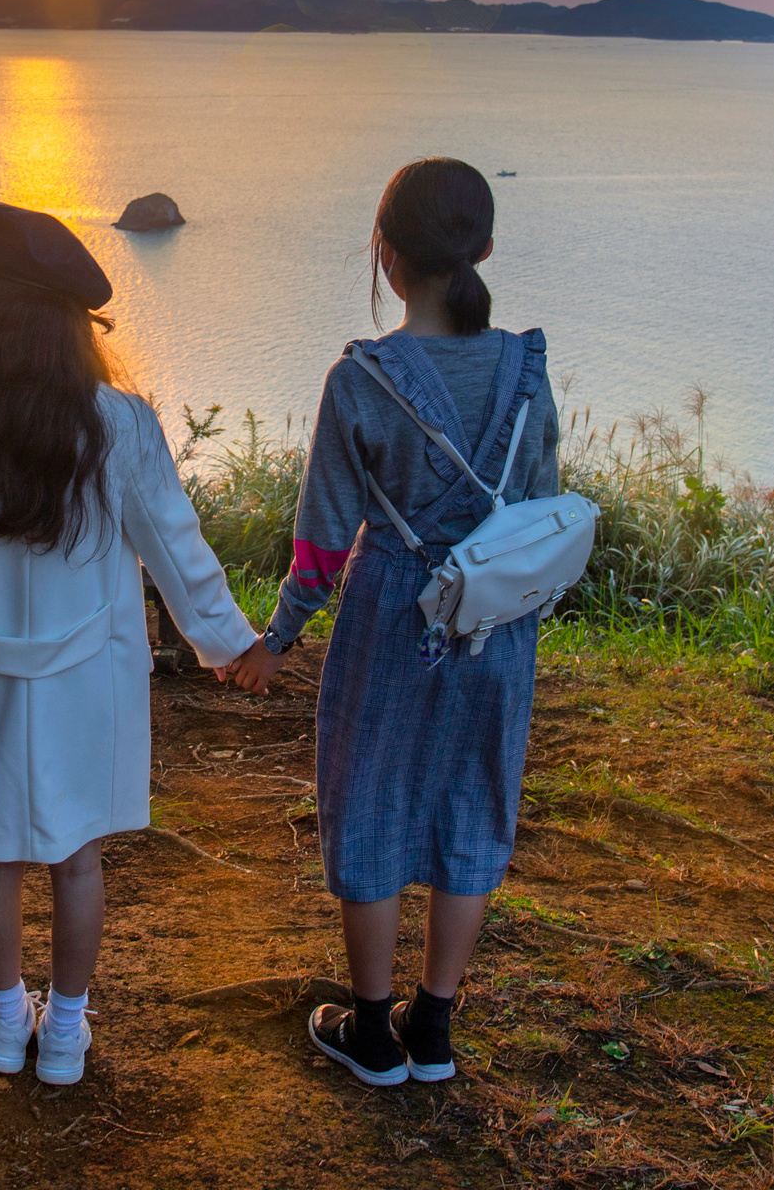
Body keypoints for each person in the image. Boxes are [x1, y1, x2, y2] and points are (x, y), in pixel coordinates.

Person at [0, 201, 257, 1087]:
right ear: (70, 320)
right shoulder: (118, 423)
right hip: (86, 673)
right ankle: (65, 1033)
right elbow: (175, 545)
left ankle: (3, 1019)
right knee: (78, 855)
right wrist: (231, 643)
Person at [222, 157, 560, 1088]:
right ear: (482, 249)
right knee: (473, 801)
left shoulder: (362, 379)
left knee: (367, 802)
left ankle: (372, 1034)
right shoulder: (528, 371)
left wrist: (278, 639)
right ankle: (436, 1029)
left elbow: (324, 542)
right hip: (494, 623)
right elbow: (539, 511)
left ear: (386, 251)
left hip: (389, 615)